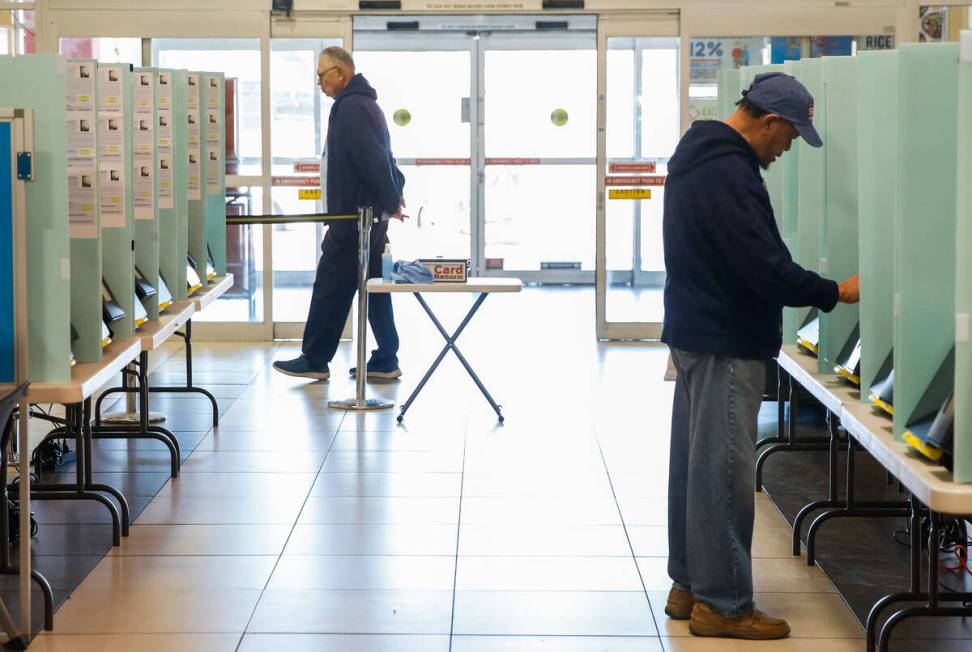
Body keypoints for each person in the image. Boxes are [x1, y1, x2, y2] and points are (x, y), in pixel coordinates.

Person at [661, 72, 860, 640]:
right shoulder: (731, 173)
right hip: (727, 338)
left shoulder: (696, 157)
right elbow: (763, 267)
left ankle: (690, 584)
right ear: (767, 121)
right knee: (724, 473)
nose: (789, 146)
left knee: (695, 469)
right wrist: (833, 292)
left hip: (695, 330)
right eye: (789, 135)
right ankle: (722, 604)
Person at [274, 46, 405, 381]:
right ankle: (387, 357)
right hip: (367, 217)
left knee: (332, 282)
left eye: (322, 74)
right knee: (373, 284)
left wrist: (391, 200)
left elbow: (373, 160)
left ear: (341, 74)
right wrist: (393, 197)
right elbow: (386, 157)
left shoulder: (350, 108)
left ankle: (315, 357)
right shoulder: (365, 104)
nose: (318, 82)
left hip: (354, 220)